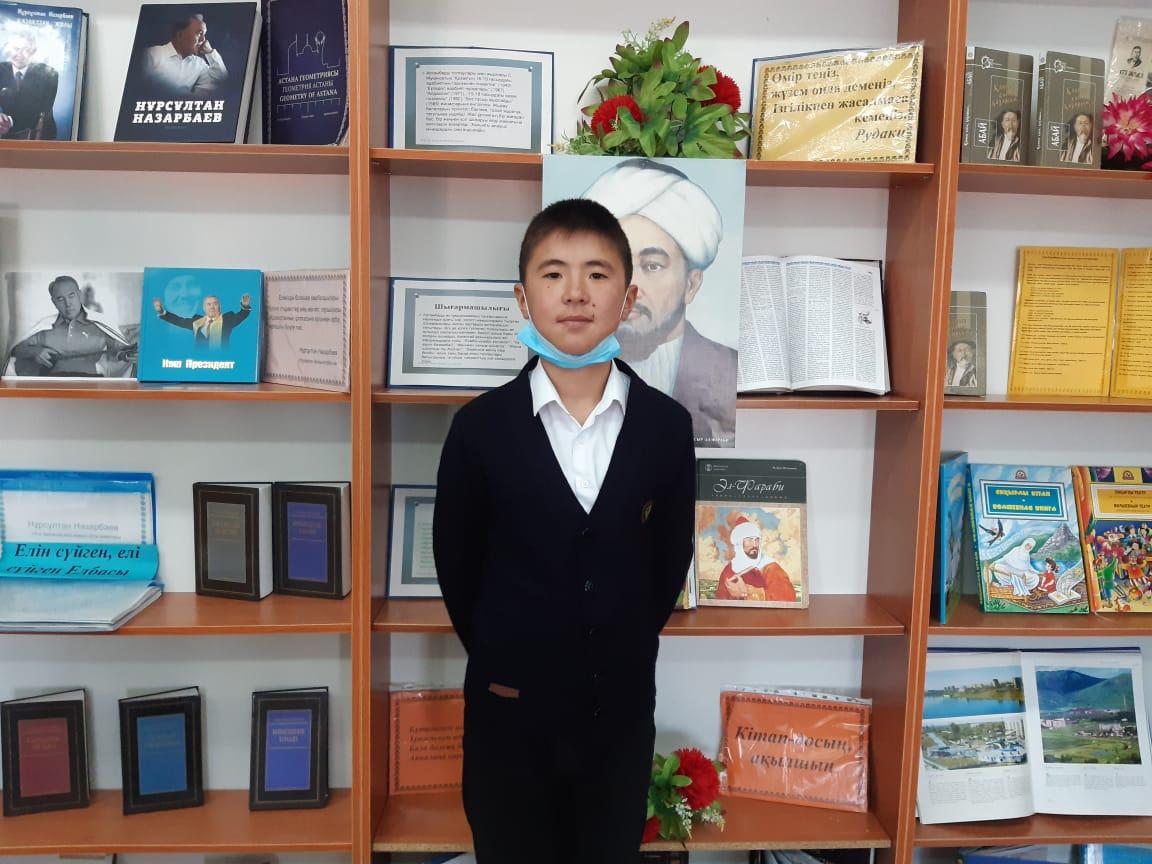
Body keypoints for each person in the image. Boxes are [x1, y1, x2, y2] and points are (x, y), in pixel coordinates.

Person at [433, 198, 695, 864]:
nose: (575, 293)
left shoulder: (666, 428)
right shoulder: (478, 430)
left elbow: (668, 562)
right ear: (523, 299)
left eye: (597, 274)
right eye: (553, 274)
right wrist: (511, 654)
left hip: (620, 719)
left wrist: (617, 642)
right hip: (508, 719)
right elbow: (458, 568)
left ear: (628, 299)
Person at [582, 158, 737, 445]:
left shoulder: (729, 371)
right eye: (615, 265)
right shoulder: (568, 368)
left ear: (691, 284)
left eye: (652, 266)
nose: (631, 287)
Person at [8, 276, 133, 377]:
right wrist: (35, 352)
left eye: (71, 296)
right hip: (51, 384)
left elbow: (118, 349)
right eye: (60, 299)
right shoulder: (45, 327)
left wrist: (126, 355)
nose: (68, 303)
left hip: (91, 382)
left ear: (79, 295)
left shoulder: (100, 323)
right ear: (54, 302)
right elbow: (15, 350)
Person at [714, 515, 797, 603]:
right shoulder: (728, 570)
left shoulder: (770, 568)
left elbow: (788, 597)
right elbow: (720, 600)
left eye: (756, 540)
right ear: (739, 543)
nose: (754, 544)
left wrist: (747, 592)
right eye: (750, 540)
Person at [144, 13, 227, 94]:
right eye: (199, 33)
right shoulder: (151, 54)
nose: (203, 40)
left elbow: (221, 83)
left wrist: (210, 52)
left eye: (204, 34)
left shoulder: (199, 64)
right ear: (180, 35)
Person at [0, 28, 58, 140]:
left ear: (34, 52)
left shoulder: (49, 74)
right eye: (16, 49)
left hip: (38, 135)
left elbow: (40, 111)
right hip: (6, 134)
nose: (19, 54)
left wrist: (8, 121)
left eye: (26, 50)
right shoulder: (1, 69)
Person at [152, 292, 251, 349]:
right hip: (199, 363)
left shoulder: (227, 320)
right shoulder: (197, 321)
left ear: (219, 306)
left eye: (215, 304)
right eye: (209, 304)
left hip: (221, 363)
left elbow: (242, 315)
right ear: (204, 308)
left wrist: (245, 306)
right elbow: (179, 321)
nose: (212, 306)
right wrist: (162, 312)